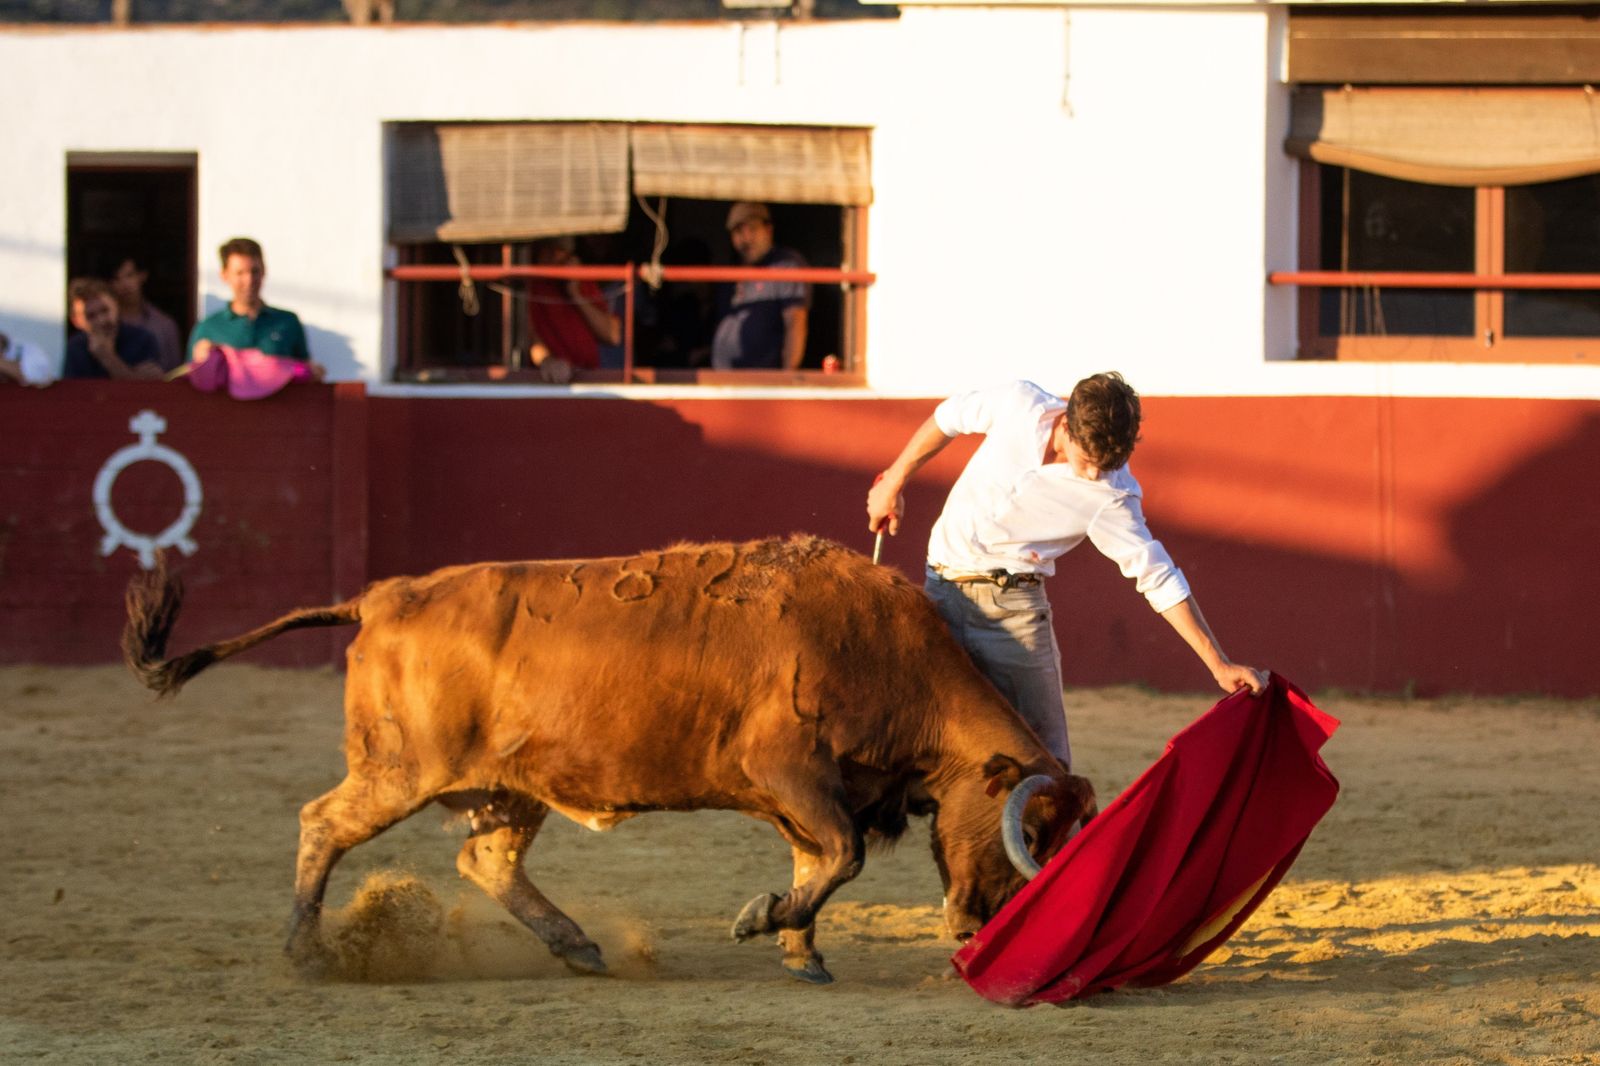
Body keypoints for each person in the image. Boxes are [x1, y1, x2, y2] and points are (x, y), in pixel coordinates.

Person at [865, 376, 1266, 769]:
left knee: (1048, 764)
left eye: (1107, 465)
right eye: (1089, 461)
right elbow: (947, 418)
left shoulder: (1114, 495)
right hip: (940, 593)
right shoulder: (1019, 404)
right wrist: (894, 480)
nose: (1094, 476)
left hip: (1016, 616)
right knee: (905, 740)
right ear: (1066, 426)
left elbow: (1158, 578)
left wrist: (1218, 664)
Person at [189, 237, 324, 380]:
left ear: (264, 271)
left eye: (254, 271)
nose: (249, 280)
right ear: (224, 275)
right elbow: (191, 382)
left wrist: (314, 373)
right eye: (240, 273)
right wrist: (201, 365)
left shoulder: (288, 322)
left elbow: (305, 374)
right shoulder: (208, 328)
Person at [711, 202, 810, 370]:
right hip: (724, 380)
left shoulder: (785, 265)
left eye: (753, 229)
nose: (746, 238)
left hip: (761, 382)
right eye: (739, 231)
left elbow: (795, 323)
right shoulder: (731, 271)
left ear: (768, 230)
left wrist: (788, 380)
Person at [527, 236, 620, 380]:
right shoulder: (533, 287)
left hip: (588, 375)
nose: (553, 256)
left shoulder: (582, 283)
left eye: (560, 251)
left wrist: (575, 294)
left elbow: (612, 336)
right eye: (548, 251)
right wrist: (547, 360)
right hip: (552, 378)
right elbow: (531, 339)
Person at [62, 278, 164, 380]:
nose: (102, 320)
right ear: (76, 321)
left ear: (116, 305)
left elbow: (143, 390)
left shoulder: (143, 339)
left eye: (105, 310)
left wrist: (107, 357)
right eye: (91, 316)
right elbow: (74, 392)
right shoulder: (75, 347)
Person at [110, 255, 184, 372]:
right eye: (116, 278)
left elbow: (174, 374)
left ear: (142, 276)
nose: (124, 284)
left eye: (129, 275)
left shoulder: (165, 325)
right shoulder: (103, 325)